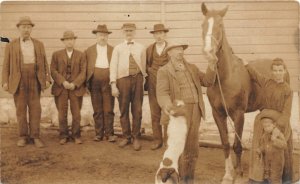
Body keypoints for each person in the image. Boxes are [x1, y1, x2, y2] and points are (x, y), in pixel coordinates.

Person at [156, 43, 217, 183]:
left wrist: (212, 65)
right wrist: (168, 106)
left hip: (195, 110)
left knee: (192, 147)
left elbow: (208, 81)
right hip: (178, 113)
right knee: (177, 147)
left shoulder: (192, 68)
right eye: (176, 49)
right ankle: (174, 178)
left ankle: (188, 178)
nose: (180, 52)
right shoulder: (164, 71)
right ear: (169, 53)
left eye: (181, 49)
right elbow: (162, 93)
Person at [2, 16, 51, 148]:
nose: (26, 30)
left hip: (35, 78)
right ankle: (23, 136)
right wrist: (5, 81)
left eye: (28, 27)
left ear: (31, 29)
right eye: (23, 27)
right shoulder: (11, 45)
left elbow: (45, 63)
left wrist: (47, 79)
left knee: (36, 108)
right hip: (18, 80)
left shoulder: (39, 44)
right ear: (19, 28)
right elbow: (6, 65)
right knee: (21, 109)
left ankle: (35, 136)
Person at [247, 58, 294, 184]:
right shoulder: (267, 82)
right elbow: (256, 76)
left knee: (275, 151)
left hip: (279, 121)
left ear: (284, 71)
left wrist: (278, 129)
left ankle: (277, 179)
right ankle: (258, 177)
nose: (277, 73)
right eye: (275, 70)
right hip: (263, 121)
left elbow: (287, 112)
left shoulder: (287, 90)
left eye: (280, 70)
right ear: (271, 72)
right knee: (260, 147)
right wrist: (246, 64)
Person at [110, 23, 147, 151]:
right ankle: (126, 136)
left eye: (131, 30)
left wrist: (142, 80)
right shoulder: (118, 48)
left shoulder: (141, 48)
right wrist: (113, 85)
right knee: (124, 109)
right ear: (122, 32)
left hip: (137, 79)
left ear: (135, 32)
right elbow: (113, 67)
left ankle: (136, 137)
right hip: (122, 81)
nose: (129, 33)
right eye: (126, 31)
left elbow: (144, 66)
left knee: (137, 110)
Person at [50, 31, 86, 145]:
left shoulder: (81, 55)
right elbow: (53, 71)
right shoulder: (56, 54)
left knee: (76, 113)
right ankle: (63, 135)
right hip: (61, 88)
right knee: (62, 113)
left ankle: (76, 135)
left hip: (76, 88)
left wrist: (75, 84)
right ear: (63, 41)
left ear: (74, 41)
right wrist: (63, 82)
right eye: (67, 39)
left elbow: (83, 72)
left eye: (72, 39)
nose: (70, 41)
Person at [85, 25, 116, 142]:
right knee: (97, 108)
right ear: (96, 36)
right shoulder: (89, 51)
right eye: (100, 35)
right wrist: (86, 85)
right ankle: (98, 134)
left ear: (107, 36)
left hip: (108, 81)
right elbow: (85, 69)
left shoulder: (113, 50)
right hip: (94, 82)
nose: (102, 38)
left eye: (105, 35)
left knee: (108, 108)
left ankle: (109, 133)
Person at [145, 23, 169, 150]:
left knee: (167, 112)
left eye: (161, 33)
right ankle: (157, 140)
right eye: (156, 34)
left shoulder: (171, 49)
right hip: (153, 84)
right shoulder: (149, 49)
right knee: (155, 113)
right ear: (153, 36)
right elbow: (146, 66)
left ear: (165, 34)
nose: (159, 36)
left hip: (167, 86)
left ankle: (167, 141)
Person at [256, 118, 287, 183]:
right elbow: (263, 146)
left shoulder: (278, 134)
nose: (267, 128)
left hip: (277, 161)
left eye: (268, 126)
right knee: (267, 176)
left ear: (274, 125)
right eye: (265, 127)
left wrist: (275, 140)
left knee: (275, 178)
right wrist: (260, 149)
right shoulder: (264, 136)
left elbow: (284, 145)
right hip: (267, 161)